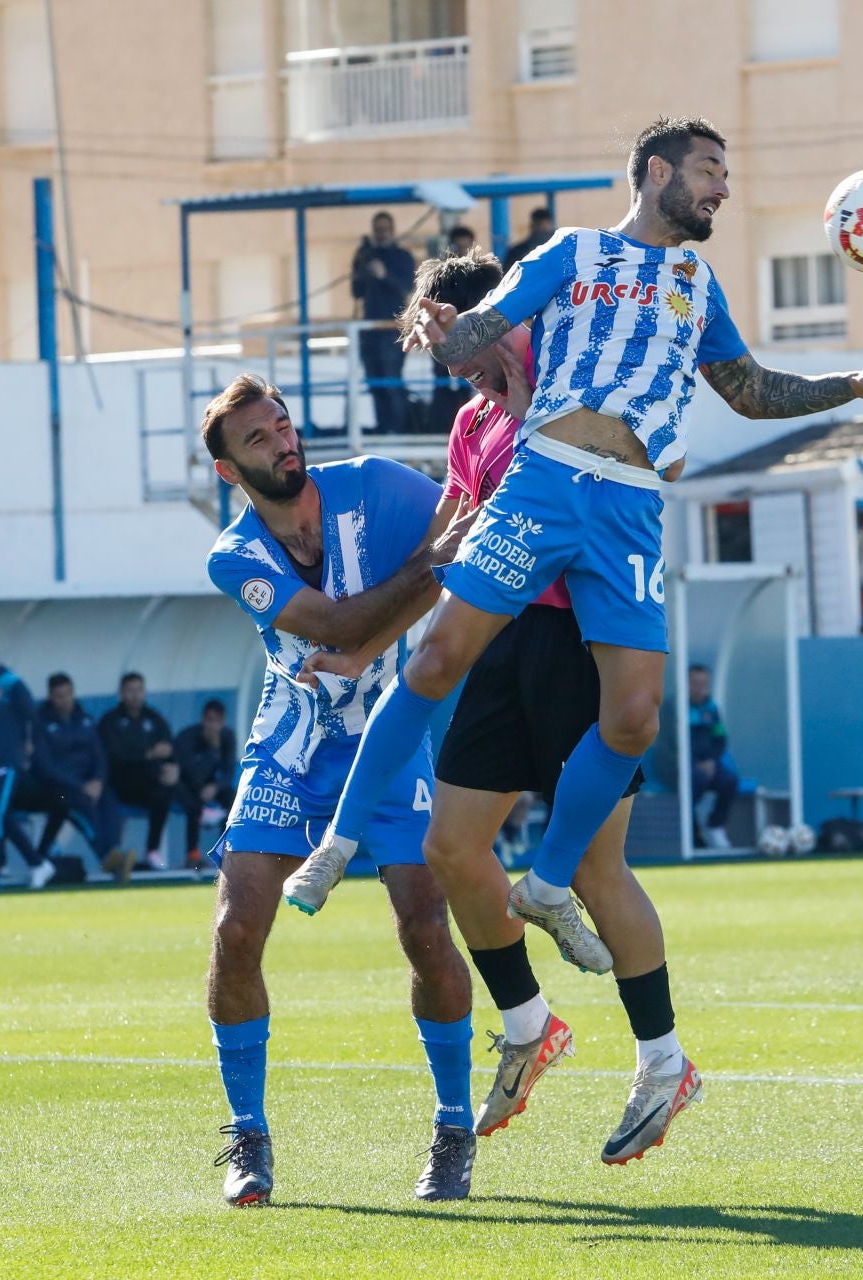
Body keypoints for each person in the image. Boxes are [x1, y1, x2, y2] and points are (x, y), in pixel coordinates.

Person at [287, 115, 863, 983]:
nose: (723, 189)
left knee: (635, 720)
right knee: (437, 660)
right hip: (545, 479)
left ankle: (548, 885)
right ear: (656, 172)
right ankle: (338, 843)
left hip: (630, 506)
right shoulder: (571, 253)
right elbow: (478, 340)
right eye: (709, 170)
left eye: (726, 176)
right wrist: (448, 331)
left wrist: (852, 385)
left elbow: (750, 392)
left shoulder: (698, 284)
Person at [297, 247, 688, 1166]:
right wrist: (364, 644)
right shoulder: (472, 423)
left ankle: (664, 1059)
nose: (449, 361)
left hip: (583, 647)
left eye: (454, 338)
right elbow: (456, 552)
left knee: (601, 870)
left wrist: (520, 425)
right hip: (501, 648)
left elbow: (596, 489)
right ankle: (527, 1023)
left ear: (504, 317)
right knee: (448, 848)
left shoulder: (571, 393)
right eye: (438, 346)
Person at [198, 372, 477, 1206]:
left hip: (389, 743)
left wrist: (440, 561)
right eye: (257, 438)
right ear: (229, 472)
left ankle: (454, 1126)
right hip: (287, 749)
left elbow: (475, 534)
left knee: (426, 928)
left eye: (281, 424)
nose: (282, 441)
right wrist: (432, 563)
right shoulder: (234, 556)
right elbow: (342, 627)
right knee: (236, 926)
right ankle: (249, 1138)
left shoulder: (378, 483)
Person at [0, 635, 55, 889]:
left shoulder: (12, 684)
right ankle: (38, 863)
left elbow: (32, 718)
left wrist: (27, 747)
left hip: (7, 761)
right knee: (1, 818)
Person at [35, 673, 130, 879]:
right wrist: (80, 786)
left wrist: (98, 780)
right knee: (81, 806)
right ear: (51, 697)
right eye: (59, 695)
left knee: (111, 803)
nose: (65, 700)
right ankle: (107, 857)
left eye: (68, 694)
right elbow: (46, 766)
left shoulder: (84, 719)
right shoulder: (41, 723)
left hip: (90, 784)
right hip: (59, 789)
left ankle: (113, 852)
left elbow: (99, 755)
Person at [98, 673, 178, 870]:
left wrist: (173, 765)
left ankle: (152, 851)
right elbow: (114, 756)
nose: (134, 695)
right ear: (121, 693)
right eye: (130, 690)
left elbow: (169, 747)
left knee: (167, 788)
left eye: (138, 690)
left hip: (149, 784)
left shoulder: (154, 718)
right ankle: (114, 857)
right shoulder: (110, 721)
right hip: (119, 784)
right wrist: (148, 753)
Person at [351, 210, 415, 434]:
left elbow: (406, 288)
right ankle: (382, 427)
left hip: (392, 328)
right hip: (369, 329)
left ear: (393, 230)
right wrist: (362, 268)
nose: (381, 234)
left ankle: (399, 429)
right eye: (378, 230)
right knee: (373, 381)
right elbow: (356, 291)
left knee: (391, 380)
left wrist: (384, 275)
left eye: (385, 230)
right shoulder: (365, 256)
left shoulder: (402, 257)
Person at [174, 699, 236, 869]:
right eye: (209, 719)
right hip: (188, 785)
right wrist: (213, 750)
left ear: (222, 722)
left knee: (232, 798)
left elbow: (228, 770)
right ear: (203, 719)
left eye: (217, 721)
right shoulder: (188, 737)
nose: (212, 725)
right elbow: (191, 772)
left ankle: (226, 851)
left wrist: (215, 787)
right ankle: (192, 855)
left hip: (213, 786)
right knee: (192, 805)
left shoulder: (228, 737)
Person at [688, 663, 739, 851]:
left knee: (730, 781)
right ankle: (693, 833)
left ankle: (716, 825)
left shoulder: (711, 708)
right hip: (683, 766)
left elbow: (720, 739)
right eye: (694, 683)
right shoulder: (674, 706)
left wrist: (711, 760)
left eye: (703, 684)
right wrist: (694, 762)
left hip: (709, 763)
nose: (699, 688)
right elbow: (671, 742)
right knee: (694, 782)